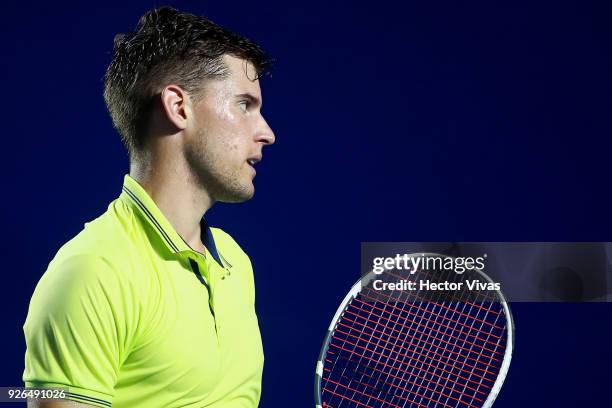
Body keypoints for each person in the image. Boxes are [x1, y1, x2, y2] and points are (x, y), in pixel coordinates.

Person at [23, 6, 275, 408]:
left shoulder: (234, 262)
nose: (267, 133)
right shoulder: (92, 272)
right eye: (244, 104)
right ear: (179, 107)